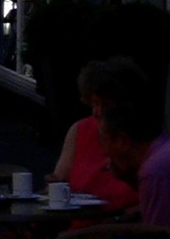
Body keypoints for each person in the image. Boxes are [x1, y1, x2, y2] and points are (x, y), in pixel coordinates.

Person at [54, 58, 149, 210]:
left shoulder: (141, 138)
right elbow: (59, 182)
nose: (98, 112)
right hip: (74, 226)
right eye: (94, 103)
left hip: (119, 227)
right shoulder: (80, 130)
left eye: (106, 105)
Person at [100, 96, 170, 224]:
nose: (104, 151)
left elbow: (158, 236)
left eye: (104, 140)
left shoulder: (154, 170)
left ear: (122, 140)